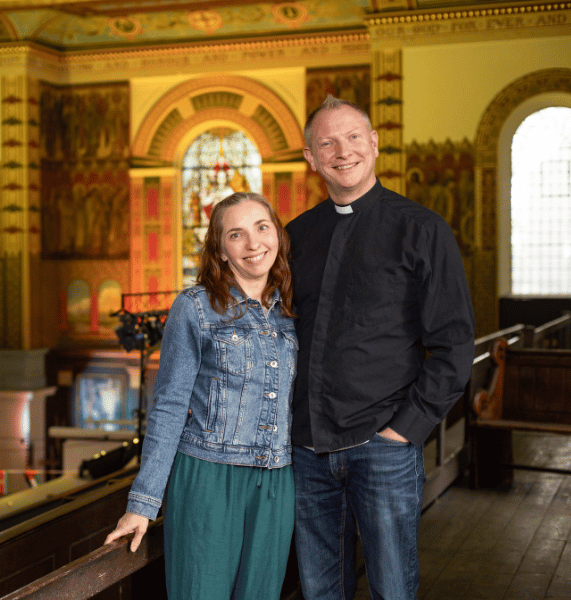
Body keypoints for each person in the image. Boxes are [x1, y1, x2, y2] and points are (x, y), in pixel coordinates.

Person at [285, 95, 475, 600]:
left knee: (392, 590)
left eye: (352, 137)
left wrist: (402, 432)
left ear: (373, 143)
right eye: (326, 142)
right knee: (321, 591)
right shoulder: (296, 235)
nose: (341, 151)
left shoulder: (422, 229)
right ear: (310, 157)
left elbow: (454, 345)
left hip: (382, 445)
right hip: (306, 449)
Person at [104, 192, 297, 600]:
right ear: (220, 250)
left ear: (277, 235)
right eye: (236, 235)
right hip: (209, 476)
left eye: (262, 228)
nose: (253, 244)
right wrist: (143, 502)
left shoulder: (291, 311)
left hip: (277, 479)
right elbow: (170, 406)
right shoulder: (195, 308)